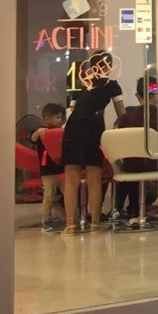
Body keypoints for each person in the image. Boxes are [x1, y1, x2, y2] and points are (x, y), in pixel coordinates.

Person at [61, 52, 124, 235]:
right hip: (93, 129)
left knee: (71, 179)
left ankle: (70, 226)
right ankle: (95, 224)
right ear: (109, 66)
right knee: (94, 179)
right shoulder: (111, 84)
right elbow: (121, 114)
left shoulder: (82, 85)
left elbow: (70, 113)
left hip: (72, 130)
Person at [112, 75, 158, 224]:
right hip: (156, 165)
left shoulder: (125, 119)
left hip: (131, 166)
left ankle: (129, 209)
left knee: (131, 163)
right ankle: (139, 207)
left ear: (137, 96)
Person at [30, 103, 66, 233]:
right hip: (48, 171)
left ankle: (72, 218)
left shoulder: (62, 132)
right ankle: (46, 220)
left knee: (69, 193)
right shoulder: (43, 132)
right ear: (48, 119)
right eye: (57, 117)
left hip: (62, 169)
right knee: (49, 195)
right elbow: (32, 138)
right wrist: (38, 132)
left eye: (61, 117)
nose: (60, 120)